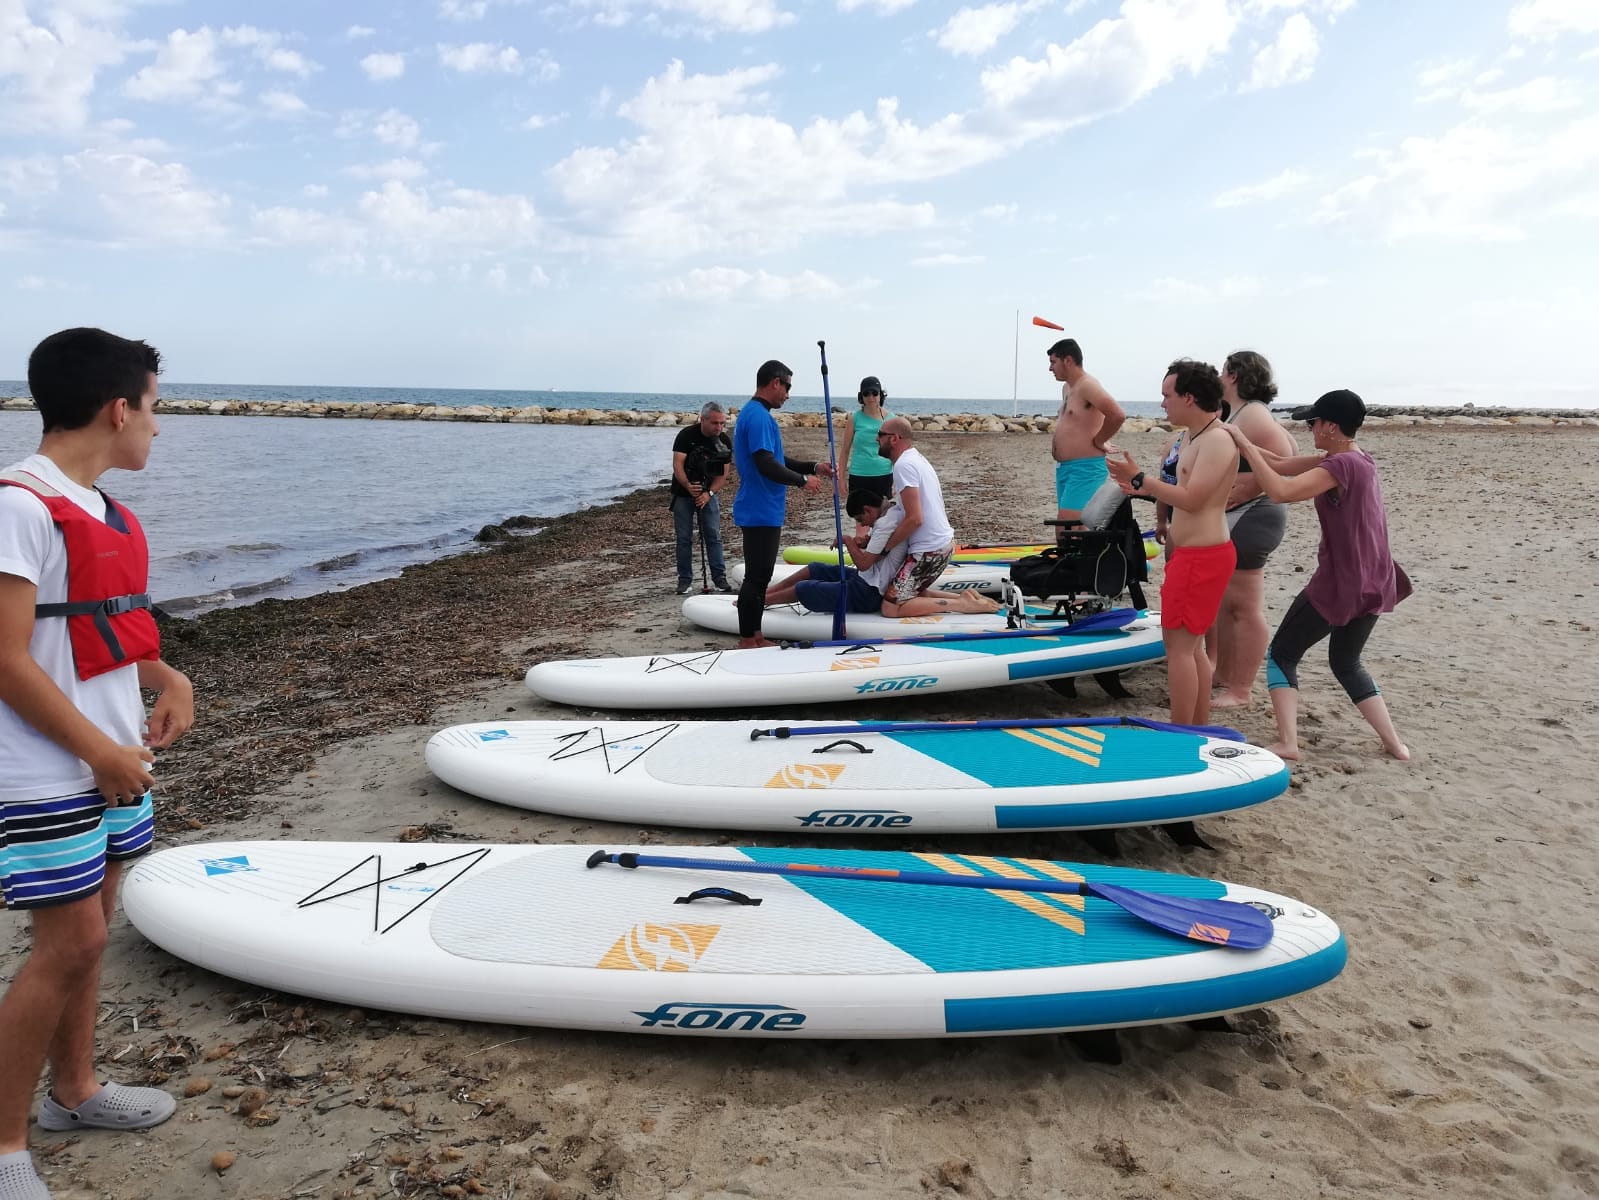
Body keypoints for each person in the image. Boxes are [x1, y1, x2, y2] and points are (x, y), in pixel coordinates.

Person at [0, 327, 195, 1200]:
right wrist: (100, 754)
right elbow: (6, 658)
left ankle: (74, 1093)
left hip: (113, 759)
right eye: (155, 408)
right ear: (119, 408)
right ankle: (3, 1146)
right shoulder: (18, 504)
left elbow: (102, 627)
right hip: (46, 769)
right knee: (68, 941)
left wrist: (170, 675)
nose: (158, 426)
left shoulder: (108, 510)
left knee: (91, 937)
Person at [1222, 389, 1411, 761]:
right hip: (1375, 579)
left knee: (1282, 654)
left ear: (1331, 426)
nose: (1310, 428)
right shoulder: (1357, 459)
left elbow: (1279, 491)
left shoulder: (1339, 467)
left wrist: (1242, 440)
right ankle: (1395, 744)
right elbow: (1278, 463)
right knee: (1346, 662)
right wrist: (1243, 444)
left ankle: (1288, 743)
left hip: (1341, 583)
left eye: (1314, 422)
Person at [1106, 359, 1238, 726]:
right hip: (1192, 554)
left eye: (1167, 395)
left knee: (1178, 650)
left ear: (1190, 397)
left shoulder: (1215, 440)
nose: (1162, 403)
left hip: (1203, 557)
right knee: (1191, 648)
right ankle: (1195, 729)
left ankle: (1181, 734)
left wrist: (1141, 479)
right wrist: (1137, 481)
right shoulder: (1193, 437)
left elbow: (1193, 499)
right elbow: (1181, 493)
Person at [1209, 350, 1299, 707]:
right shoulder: (1242, 412)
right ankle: (1224, 676)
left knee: (1244, 607)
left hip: (1254, 516)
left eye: (1222, 369)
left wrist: (1250, 487)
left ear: (1234, 375)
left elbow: (1286, 464)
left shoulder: (1254, 413)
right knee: (1227, 604)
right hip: (1246, 515)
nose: (1218, 375)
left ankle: (1240, 689)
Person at [731, 360, 834, 649]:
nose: (788, 394)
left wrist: (813, 467)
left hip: (763, 507)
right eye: (787, 387)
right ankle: (748, 640)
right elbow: (765, 464)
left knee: (760, 577)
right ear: (775, 382)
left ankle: (756, 635)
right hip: (759, 507)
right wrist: (802, 481)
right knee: (756, 578)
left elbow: (777, 458)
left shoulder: (756, 414)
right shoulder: (759, 416)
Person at [764, 490, 996, 617]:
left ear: (868, 509)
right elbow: (881, 550)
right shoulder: (892, 511)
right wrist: (865, 541)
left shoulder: (884, 524)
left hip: (869, 592)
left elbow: (864, 564)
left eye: (860, 519)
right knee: (815, 568)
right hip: (868, 580)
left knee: (804, 589)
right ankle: (767, 593)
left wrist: (847, 541)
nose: (861, 523)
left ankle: (759, 602)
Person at [871, 418, 963, 617]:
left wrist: (884, 549)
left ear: (894, 439)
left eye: (880, 434)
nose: (876, 438)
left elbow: (914, 519)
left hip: (930, 551)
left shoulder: (903, 465)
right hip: (943, 544)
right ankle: (966, 598)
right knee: (912, 591)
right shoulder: (915, 458)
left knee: (890, 606)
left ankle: (963, 606)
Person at [1049, 338, 1126, 538]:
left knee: (1066, 526)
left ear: (1067, 360)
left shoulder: (1088, 385)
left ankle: (1072, 568)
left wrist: (1100, 440)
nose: (1050, 368)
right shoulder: (1067, 388)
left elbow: (1116, 414)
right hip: (1065, 469)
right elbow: (1082, 422)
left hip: (1086, 468)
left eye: (1053, 362)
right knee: (1078, 528)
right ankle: (1089, 566)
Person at [669, 402, 733, 594]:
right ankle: (685, 579)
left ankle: (719, 577)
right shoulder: (686, 435)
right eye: (715, 423)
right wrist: (688, 485)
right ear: (702, 419)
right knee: (684, 538)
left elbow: (723, 475)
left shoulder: (724, 440)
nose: (719, 427)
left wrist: (708, 493)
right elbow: (677, 465)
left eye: (722, 423)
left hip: (708, 492)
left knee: (713, 535)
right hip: (683, 492)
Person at [834, 377, 894, 535]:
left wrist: (898, 481)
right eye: (867, 394)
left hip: (884, 475)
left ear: (880, 395)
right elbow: (845, 450)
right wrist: (840, 477)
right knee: (862, 521)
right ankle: (862, 555)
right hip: (859, 475)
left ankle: (880, 555)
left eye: (875, 393)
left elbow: (896, 450)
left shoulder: (891, 419)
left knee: (884, 520)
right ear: (861, 396)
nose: (871, 397)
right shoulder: (855, 418)